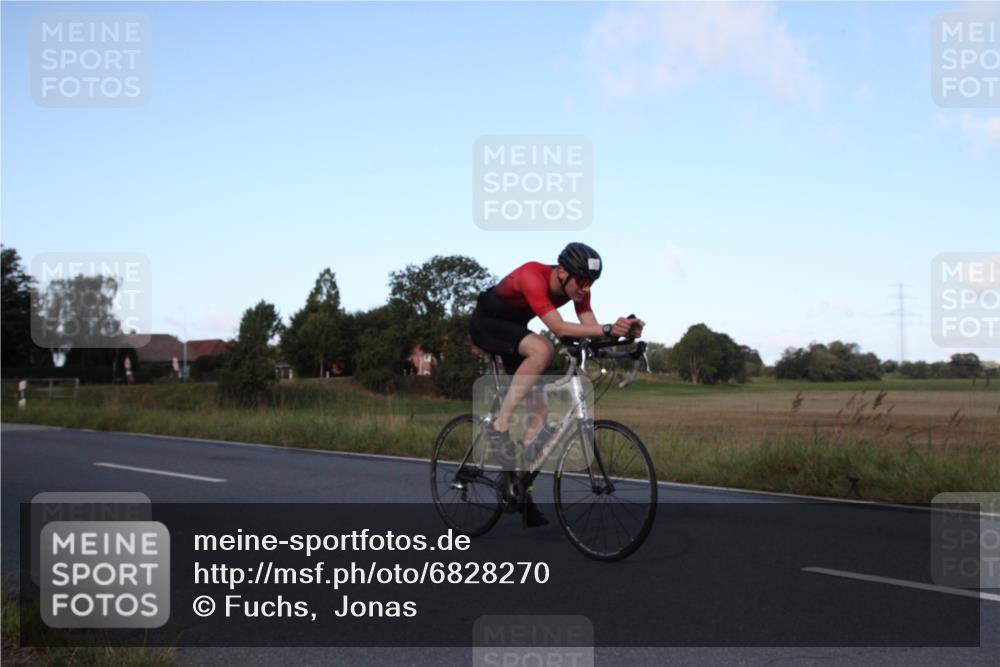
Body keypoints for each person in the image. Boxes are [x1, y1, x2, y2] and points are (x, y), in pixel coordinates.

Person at [469, 242, 644, 526]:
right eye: (583, 281)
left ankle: (517, 489)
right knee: (542, 349)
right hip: (487, 325)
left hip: (513, 333)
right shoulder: (531, 275)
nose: (586, 289)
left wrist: (623, 335)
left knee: (539, 417)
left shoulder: (578, 289)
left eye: (592, 283)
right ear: (562, 271)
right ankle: (498, 426)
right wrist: (608, 329)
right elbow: (560, 329)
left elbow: (591, 328)